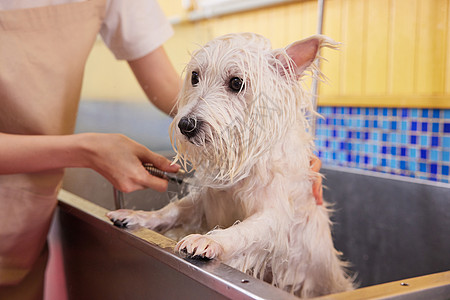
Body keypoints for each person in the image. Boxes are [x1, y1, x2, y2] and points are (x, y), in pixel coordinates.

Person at [0, 1, 323, 299]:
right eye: (195, 77)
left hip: (22, 225)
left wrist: (280, 142)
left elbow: (170, 90)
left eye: (235, 83)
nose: (191, 111)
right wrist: (85, 150)